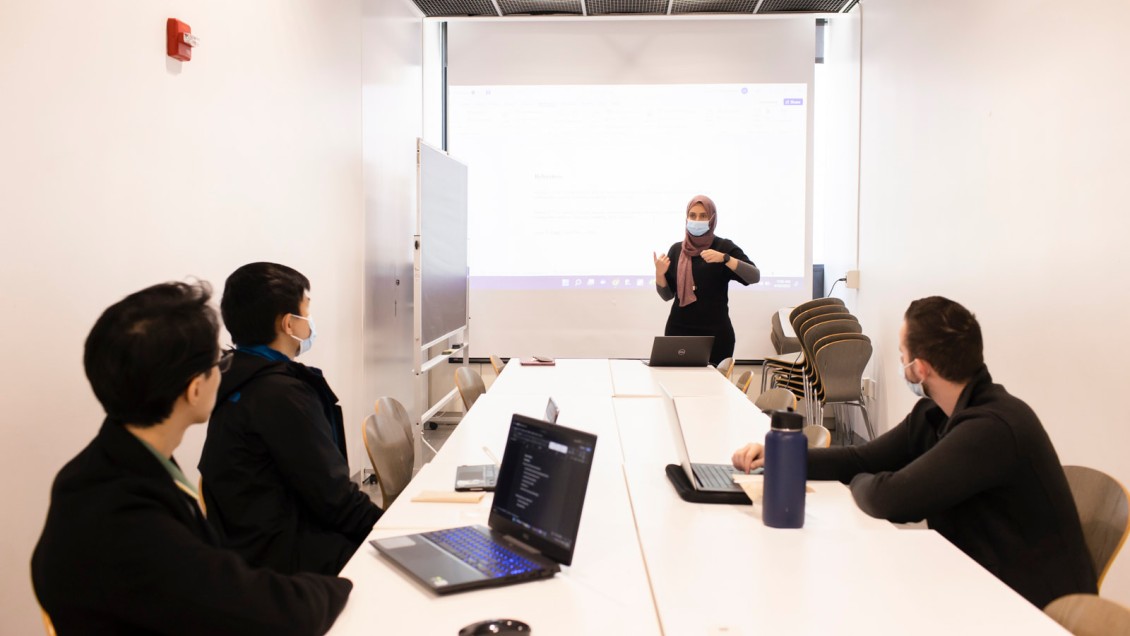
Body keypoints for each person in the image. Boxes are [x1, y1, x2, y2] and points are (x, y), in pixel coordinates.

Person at [732, 296, 1097, 608]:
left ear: (918, 368)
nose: (902, 364)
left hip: (1029, 607)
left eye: (902, 355)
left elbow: (890, 499)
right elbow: (863, 458)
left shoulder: (992, 428)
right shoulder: (935, 413)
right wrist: (784, 456)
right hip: (977, 582)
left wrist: (861, 481)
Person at [31, 282, 352, 635]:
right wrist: (352, 582)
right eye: (217, 361)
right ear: (195, 389)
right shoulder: (129, 519)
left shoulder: (102, 468)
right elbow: (272, 611)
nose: (225, 368)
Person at [199, 262, 382, 576]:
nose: (310, 321)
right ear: (288, 324)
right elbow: (335, 501)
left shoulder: (234, 375)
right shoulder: (280, 395)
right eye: (306, 311)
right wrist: (390, 532)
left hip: (252, 549)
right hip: (288, 561)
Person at [654, 194, 760, 366]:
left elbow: (754, 276)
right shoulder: (676, 250)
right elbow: (667, 295)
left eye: (703, 216)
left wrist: (726, 259)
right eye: (693, 215)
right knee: (678, 387)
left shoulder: (723, 247)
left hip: (716, 335)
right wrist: (660, 274)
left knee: (714, 391)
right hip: (678, 332)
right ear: (686, 218)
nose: (697, 220)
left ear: (712, 218)